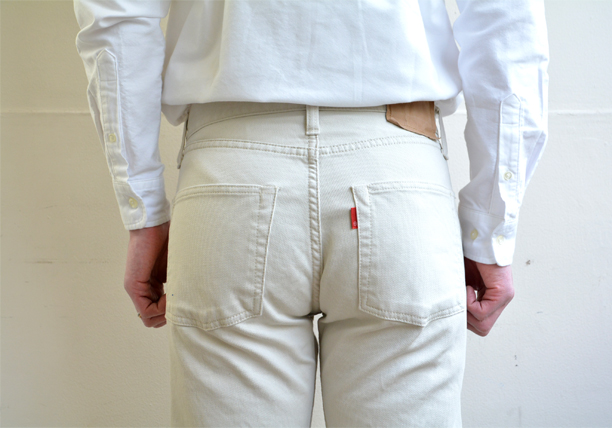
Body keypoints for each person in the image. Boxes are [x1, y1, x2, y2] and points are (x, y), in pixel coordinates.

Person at [73, 0, 549, 426]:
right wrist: (490, 227)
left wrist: (143, 209)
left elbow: (116, 16)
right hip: (398, 177)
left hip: (230, 178)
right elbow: (506, 20)